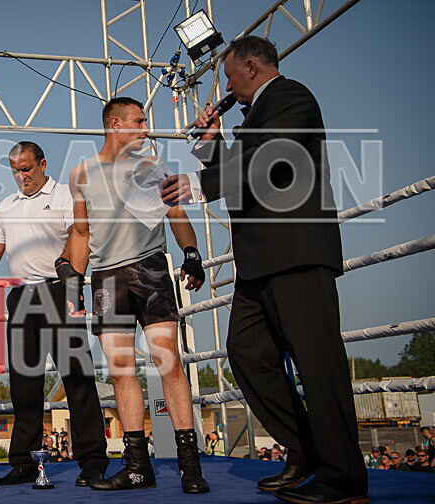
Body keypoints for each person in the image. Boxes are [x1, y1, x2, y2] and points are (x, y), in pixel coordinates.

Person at [162, 36, 368, 504]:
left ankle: (345, 480)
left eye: (230, 77)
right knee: (247, 353)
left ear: (251, 67)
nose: (227, 88)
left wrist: (198, 184)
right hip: (258, 262)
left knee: (318, 364)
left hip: (295, 253)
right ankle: (308, 451)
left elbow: (271, 162)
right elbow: (242, 182)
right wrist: (212, 147)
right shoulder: (254, 116)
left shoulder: (293, 97)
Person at [59, 96, 208, 493]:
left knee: (168, 361)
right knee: (122, 370)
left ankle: (190, 466)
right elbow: (80, 233)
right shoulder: (81, 175)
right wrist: (72, 278)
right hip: (106, 278)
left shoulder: (151, 165)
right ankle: (138, 466)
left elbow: (176, 214)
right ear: (115, 124)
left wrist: (191, 253)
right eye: (139, 122)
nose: (146, 129)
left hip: (150, 269)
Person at [0, 142, 109, 487]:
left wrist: (69, 275)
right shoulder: (7, 206)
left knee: (77, 378)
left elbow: (77, 235)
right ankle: (24, 461)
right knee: (23, 383)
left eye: (26, 168)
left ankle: (93, 460)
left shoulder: (66, 195)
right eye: (15, 170)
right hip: (21, 297)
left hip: (58, 291)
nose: (21, 176)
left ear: (42, 164)